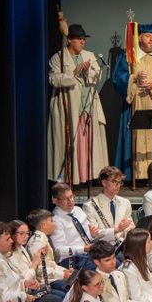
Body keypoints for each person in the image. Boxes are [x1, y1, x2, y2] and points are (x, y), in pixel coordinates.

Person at [113, 23, 152, 180]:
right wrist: (133, 78)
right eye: (148, 36)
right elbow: (117, 78)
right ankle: (133, 175)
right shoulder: (129, 56)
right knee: (134, 138)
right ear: (139, 37)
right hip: (135, 104)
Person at [47, 19, 107, 184]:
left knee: (86, 143)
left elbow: (98, 75)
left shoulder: (89, 56)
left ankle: (85, 177)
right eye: (79, 39)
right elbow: (54, 80)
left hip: (88, 105)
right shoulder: (58, 57)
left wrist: (88, 71)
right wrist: (73, 73)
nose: (82, 42)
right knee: (72, 141)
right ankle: (70, 178)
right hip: (70, 106)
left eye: (84, 39)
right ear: (70, 40)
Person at [49, 182, 98, 269]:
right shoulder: (55, 220)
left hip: (87, 252)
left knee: (115, 258)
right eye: (65, 199)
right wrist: (83, 249)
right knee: (98, 266)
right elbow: (59, 251)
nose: (71, 201)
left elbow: (87, 237)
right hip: (70, 259)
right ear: (55, 201)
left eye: (71, 196)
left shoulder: (78, 210)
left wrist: (92, 235)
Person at [84, 166, 135, 246]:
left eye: (120, 182)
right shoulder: (90, 206)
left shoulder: (125, 202)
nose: (118, 186)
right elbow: (94, 235)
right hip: (103, 249)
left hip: (123, 246)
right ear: (104, 183)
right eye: (115, 182)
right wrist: (116, 230)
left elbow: (130, 225)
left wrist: (129, 229)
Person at [25, 209, 73, 292]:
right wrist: (62, 275)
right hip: (42, 284)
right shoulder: (38, 242)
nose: (54, 224)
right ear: (44, 225)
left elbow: (50, 264)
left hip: (49, 279)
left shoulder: (42, 239)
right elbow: (40, 270)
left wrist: (64, 271)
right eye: (52, 221)